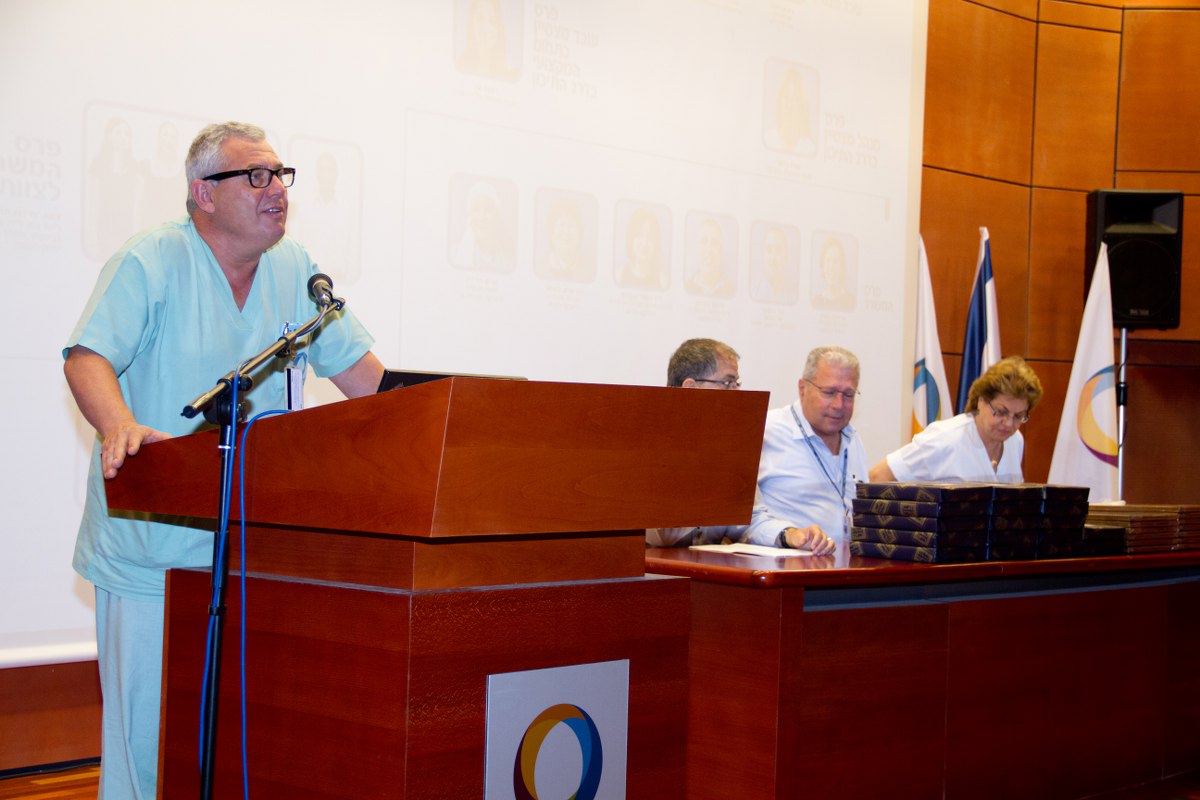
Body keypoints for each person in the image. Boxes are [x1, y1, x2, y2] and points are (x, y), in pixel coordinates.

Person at [63, 121, 385, 800]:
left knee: (244, 745)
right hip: (152, 550)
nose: (277, 190)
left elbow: (371, 386)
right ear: (203, 194)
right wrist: (120, 425)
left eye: (281, 175)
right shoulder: (150, 261)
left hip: (253, 554)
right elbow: (88, 358)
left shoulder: (296, 269)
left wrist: (439, 417)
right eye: (256, 176)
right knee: (149, 750)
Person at [744, 346, 866, 552]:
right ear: (802, 388)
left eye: (848, 394)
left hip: (848, 564)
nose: (839, 405)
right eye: (829, 392)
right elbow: (741, 520)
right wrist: (790, 535)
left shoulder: (853, 438)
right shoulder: (765, 432)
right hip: (786, 565)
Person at [869, 356, 1043, 484]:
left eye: (1019, 416)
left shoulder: (1015, 441)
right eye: (1001, 412)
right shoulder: (944, 439)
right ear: (981, 400)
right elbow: (877, 476)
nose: (1009, 423)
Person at [646, 338, 747, 547]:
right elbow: (658, 535)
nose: (737, 393)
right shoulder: (643, 443)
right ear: (691, 387)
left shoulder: (734, 445)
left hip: (707, 563)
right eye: (727, 384)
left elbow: (749, 517)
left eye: (737, 384)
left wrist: (786, 535)